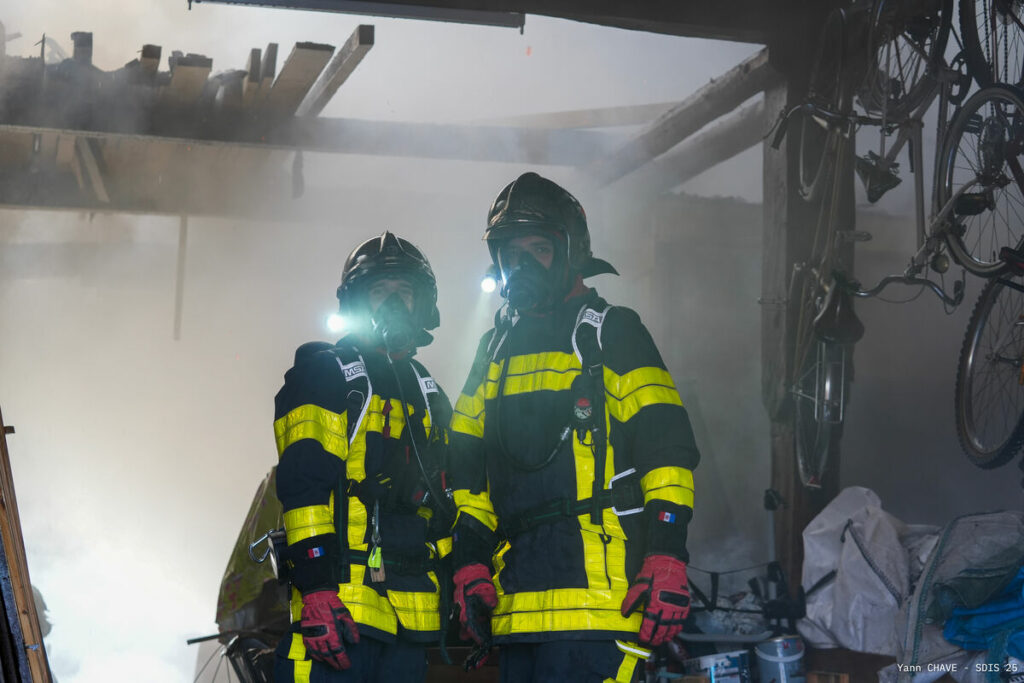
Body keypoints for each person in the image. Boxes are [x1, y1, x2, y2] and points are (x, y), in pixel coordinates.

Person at [449, 172, 700, 682]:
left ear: (571, 251)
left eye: (538, 249)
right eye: (511, 254)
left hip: (601, 613)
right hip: (517, 615)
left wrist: (667, 555)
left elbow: (667, 454)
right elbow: (469, 477)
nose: (521, 266)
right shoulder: (493, 351)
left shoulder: (613, 332)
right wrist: (470, 564)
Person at [272, 231, 453, 683]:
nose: (392, 303)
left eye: (404, 291)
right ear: (356, 302)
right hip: (339, 610)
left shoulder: (429, 393)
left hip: (410, 621)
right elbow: (304, 489)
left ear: (422, 304)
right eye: (378, 291)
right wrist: (316, 588)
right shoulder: (325, 374)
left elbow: (445, 502)